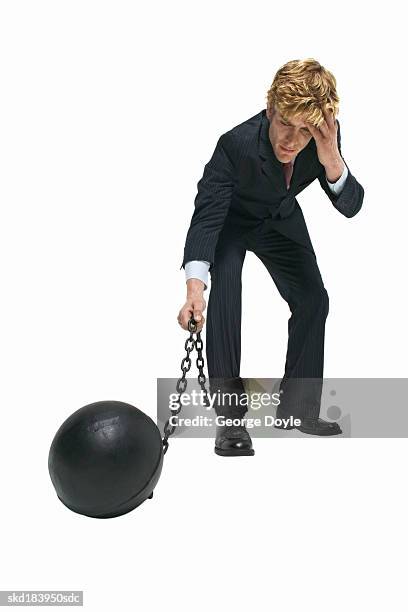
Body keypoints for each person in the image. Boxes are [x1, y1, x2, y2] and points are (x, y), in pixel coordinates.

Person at [177, 58, 364, 455]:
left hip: (279, 218)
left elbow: (351, 206)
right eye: (284, 124)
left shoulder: (322, 138)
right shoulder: (235, 144)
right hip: (231, 220)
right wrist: (195, 288)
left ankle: (297, 408)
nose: (291, 141)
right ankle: (229, 422)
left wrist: (332, 157)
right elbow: (206, 218)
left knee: (314, 299)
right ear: (269, 109)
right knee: (226, 293)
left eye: (304, 132)